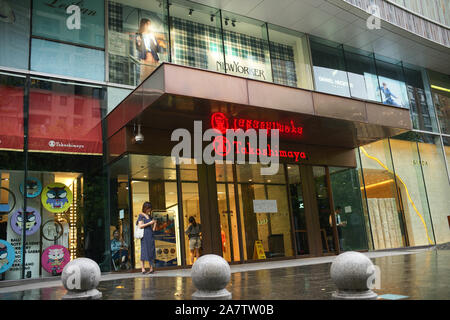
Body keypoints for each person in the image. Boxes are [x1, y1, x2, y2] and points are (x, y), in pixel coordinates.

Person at [137, 201, 157, 274]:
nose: (149, 210)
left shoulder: (150, 216)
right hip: (144, 235)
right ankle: (143, 268)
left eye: (150, 209)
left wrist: (154, 224)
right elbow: (140, 226)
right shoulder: (141, 215)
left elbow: (153, 229)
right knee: (144, 251)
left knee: (151, 251)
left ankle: (151, 268)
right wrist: (149, 223)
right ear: (145, 208)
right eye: (148, 208)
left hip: (150, 234)